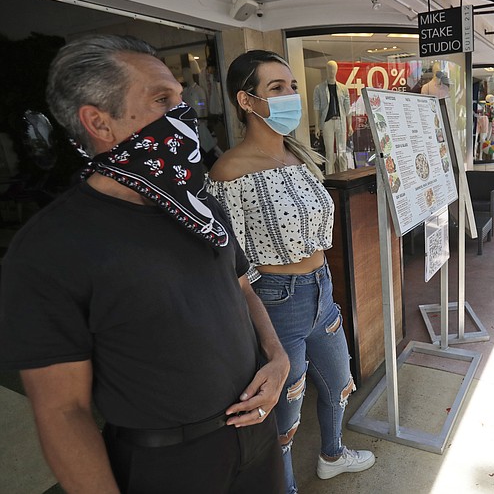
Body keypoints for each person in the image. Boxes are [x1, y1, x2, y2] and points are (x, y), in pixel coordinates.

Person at [0, 34, 290, 494]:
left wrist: (277, 358)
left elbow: (242, 288)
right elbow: (61, 411)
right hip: (167, 464)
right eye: (162, 99)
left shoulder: (199, 206)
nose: (184, 114)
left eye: (180, 96)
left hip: (256, 439)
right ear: (99, 122)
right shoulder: (50, 248)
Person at [207, 50, 375, 494]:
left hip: (322, 289)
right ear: (246, 101)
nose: (290, 97)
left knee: (339, 383)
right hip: (277, 301)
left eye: (293, 87)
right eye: (276, 89)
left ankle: (333, 455)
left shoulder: (299, 155)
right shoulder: (229, 171)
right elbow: (230, 264)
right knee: (285, 413)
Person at [313, 60, 351, 174]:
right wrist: (317, 126)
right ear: (326, 70)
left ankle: (344, 174)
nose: (332, 71)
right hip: (327, 122)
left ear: (337, 70)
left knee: (342, 151)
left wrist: (350, 126)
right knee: (329, 152)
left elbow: (347, 109)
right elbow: (316, 107)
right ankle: (330, 176)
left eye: (333, 69)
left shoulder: (343, 88)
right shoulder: (319, 88)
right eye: (329, 69)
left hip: (340, 121)